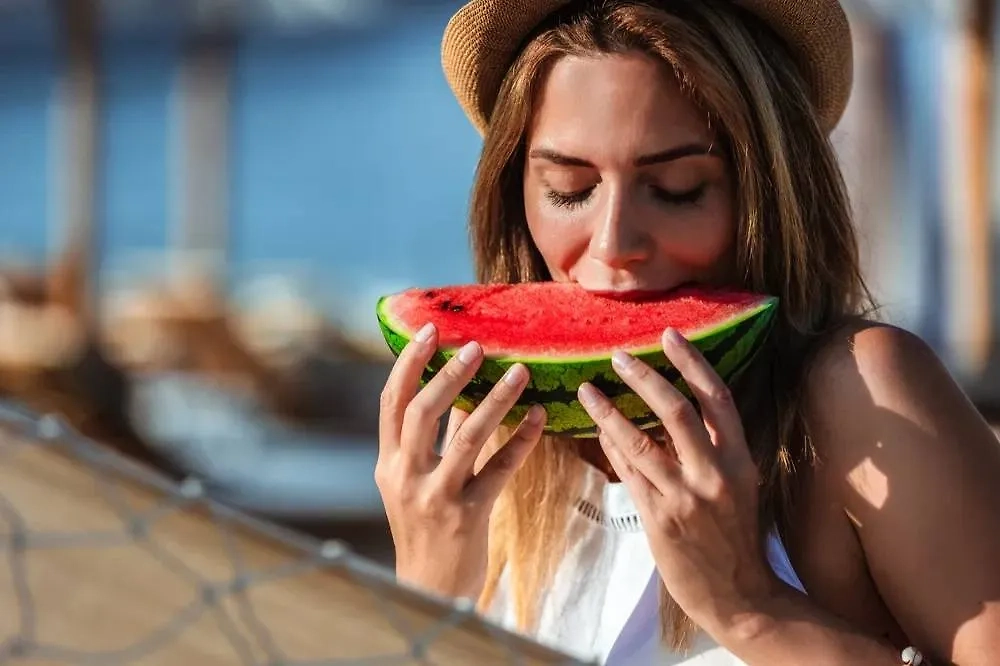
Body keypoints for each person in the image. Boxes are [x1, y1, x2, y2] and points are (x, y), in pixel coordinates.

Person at [374, 0, 1000, 664]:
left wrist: (751, 608)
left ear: (768, 192)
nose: (613, 244)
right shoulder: (498, 448)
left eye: (676, 188)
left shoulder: (862, 398)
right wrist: (427, 596)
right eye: (568, 189)